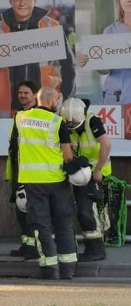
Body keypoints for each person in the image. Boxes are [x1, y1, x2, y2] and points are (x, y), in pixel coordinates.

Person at [0, 0, 75, 117]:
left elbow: (70, 66)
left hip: (45, 109)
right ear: (10, 0)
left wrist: (63, 95)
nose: (22, 3)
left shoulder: (51, 28)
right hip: (7, 114)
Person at [12, 86, 77, 279]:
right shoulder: (58, 123)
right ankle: (68, 269)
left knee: (41, 225)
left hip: (33, 182)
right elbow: (67, 156)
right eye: (57, 99)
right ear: (51, 100)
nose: (58, 102)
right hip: (57, 182)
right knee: (64, 223)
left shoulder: (21, 118)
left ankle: (50, 268)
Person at [60, 96, 112, 262]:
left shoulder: (92, 121)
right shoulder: (68, 123)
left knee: (87, 210)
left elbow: (106, 145)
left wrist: (98, 170)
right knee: (84, 210)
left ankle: (96, 249)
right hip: (82, 173)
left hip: (96, 173)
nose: (72, 128)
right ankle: (93, 247)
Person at [6, 80, 39, 258]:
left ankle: (34, 247)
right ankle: (26, 245)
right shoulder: (19, 115)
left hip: (33, 172)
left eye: (26, 93)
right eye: (20, 93)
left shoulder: (38, 116)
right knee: (21, 211)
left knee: (31, 210)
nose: (22, 96)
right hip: (19, 170)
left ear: (34, 95)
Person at [87, 0, 131, 105]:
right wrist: (95, 61)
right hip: (117, 94)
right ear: (119, 1)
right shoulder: (110, 31)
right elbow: (104, 70)